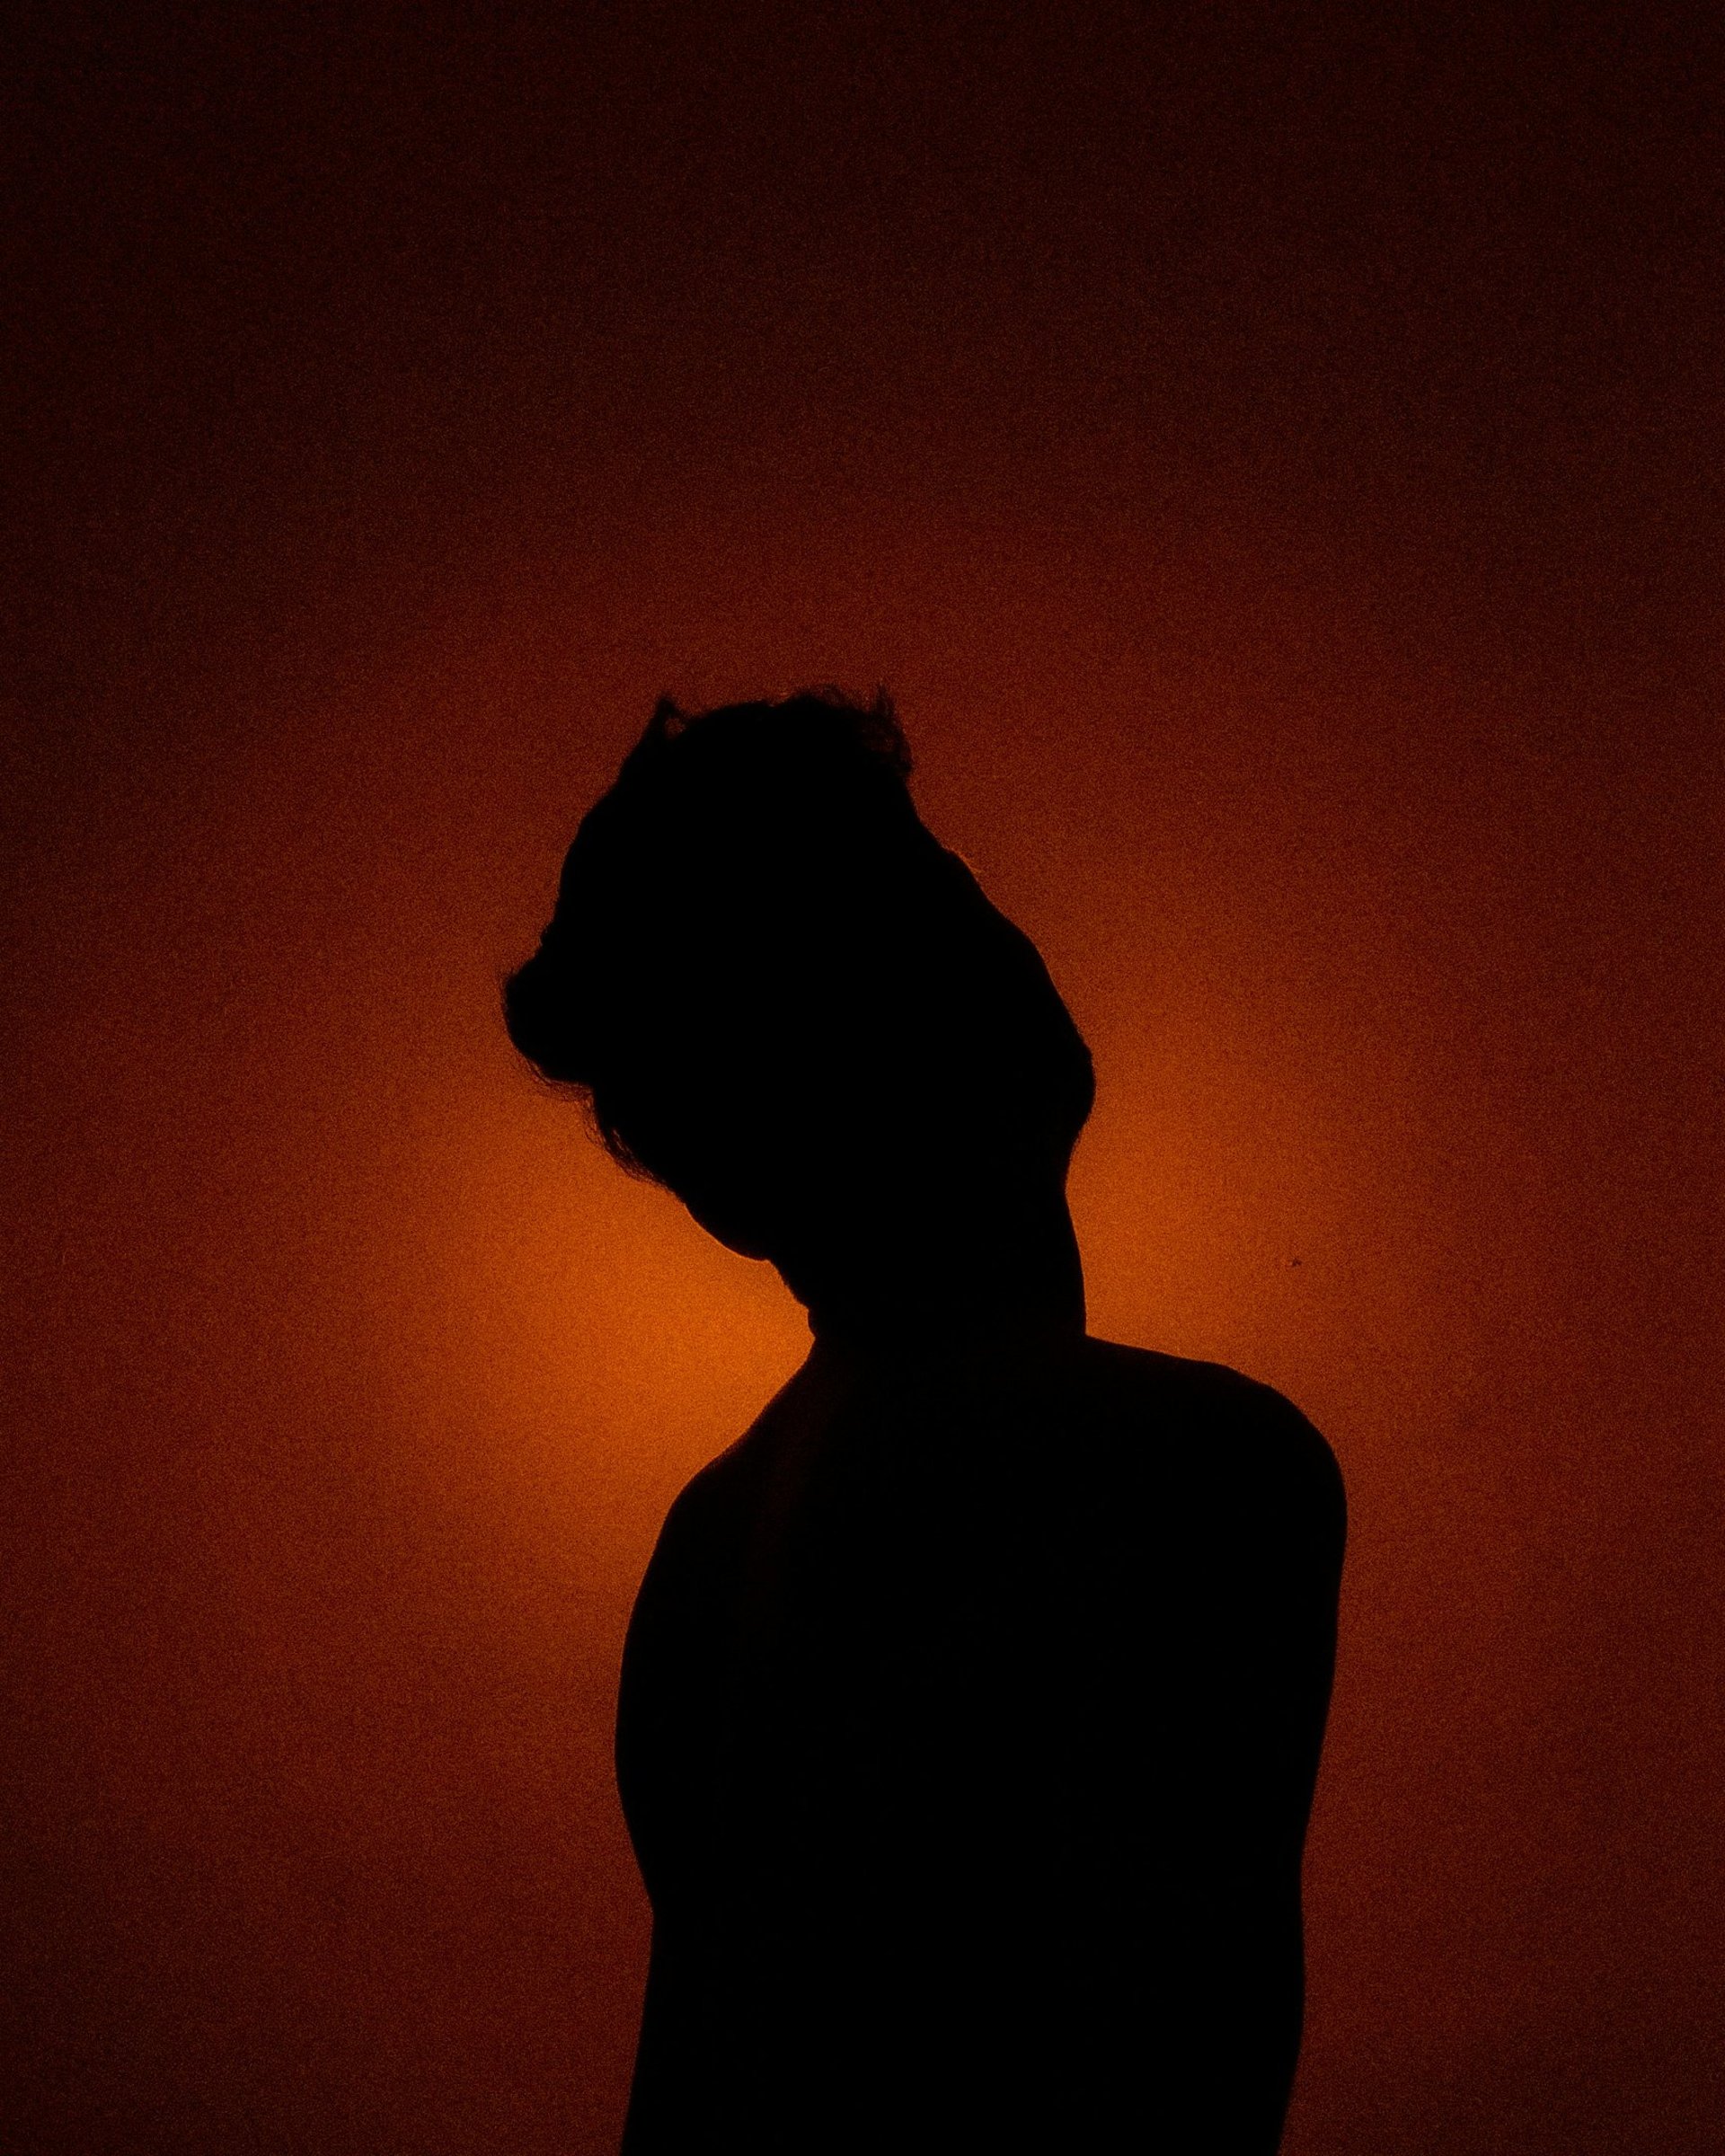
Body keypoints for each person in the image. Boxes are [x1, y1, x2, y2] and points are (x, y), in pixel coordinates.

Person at [504, 689, 1346, 2153]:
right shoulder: (1190, 1465)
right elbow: (1163, 2080)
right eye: (907, 916)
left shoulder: (716, 1537)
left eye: (944, 877)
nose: (993, 936)